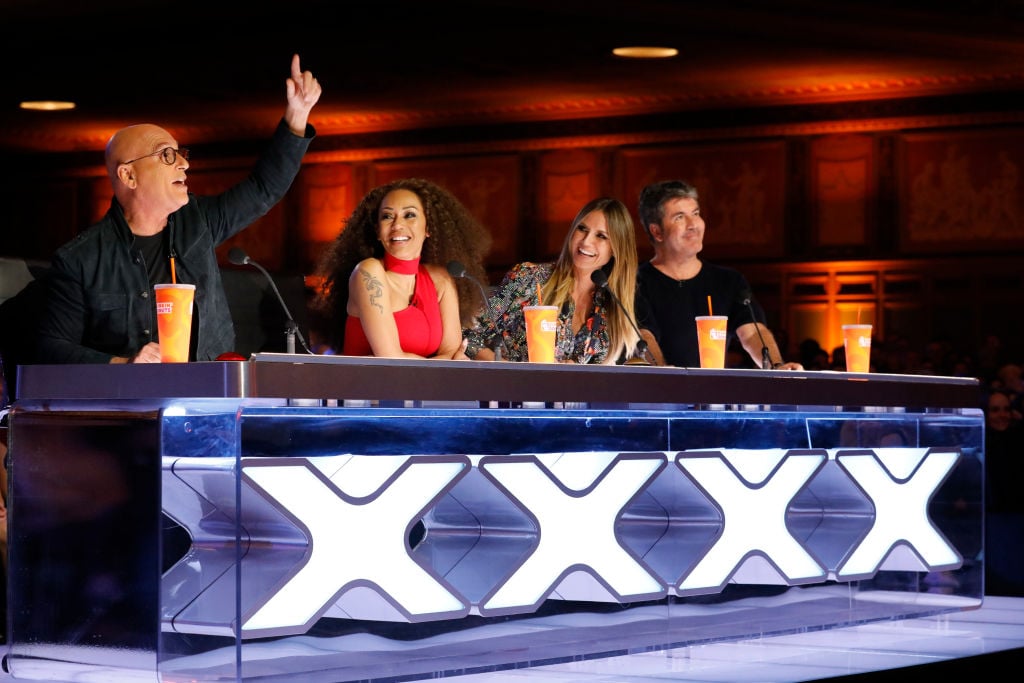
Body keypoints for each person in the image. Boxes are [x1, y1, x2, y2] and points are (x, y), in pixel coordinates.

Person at [36, 54, 322, 364]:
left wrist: (298, 115)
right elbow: (50, 346)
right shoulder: (81, 258)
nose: (184, 164)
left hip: (208, 387)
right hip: (133, 393)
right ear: (128, 175)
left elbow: (263, 189)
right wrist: (122, 364)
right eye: (167, 155)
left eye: (181, 153)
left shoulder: (198, 222)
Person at [314, 178, 491, 359]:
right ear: (378, 231)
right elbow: (391, 359)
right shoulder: (368, 272)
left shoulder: (441, 278)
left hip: (424, 379)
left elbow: (453, 353)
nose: (397, 225)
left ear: (428, 227)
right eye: (387, 216)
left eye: (409, 215)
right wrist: (441, 362)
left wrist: (442, 361)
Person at [464, 196, 654, 365]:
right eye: (582, 229)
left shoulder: (610, 304)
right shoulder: (528, 277)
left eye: (601, 236)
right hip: (515, 391)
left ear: (616, 250)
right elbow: (468, 333)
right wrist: (511, 369)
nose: (586, 241)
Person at [635, 180, 801, 370]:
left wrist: (776, 366)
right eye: (679, 217)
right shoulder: (635, 282)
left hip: (713, 387)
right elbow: (644, 336)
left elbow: (753, 332)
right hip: (660, 387)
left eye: (695, 213)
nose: (693, 224)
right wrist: (663, 374)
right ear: (657, 231)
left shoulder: (728, 281)